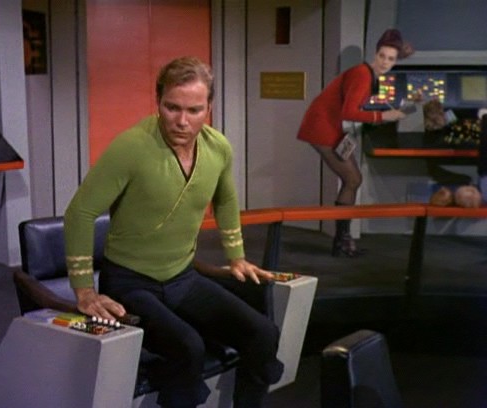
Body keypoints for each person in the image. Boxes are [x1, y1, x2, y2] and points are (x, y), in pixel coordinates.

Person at [64, 56, 284, 408]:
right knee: (188, 347)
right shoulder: (131, 146)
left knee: (263, 333)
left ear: (209, 107)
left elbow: (226, 199)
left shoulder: (218, 147)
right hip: (130, 283)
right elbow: (80, 212)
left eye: (194, 110)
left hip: (183, 278)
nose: (182, 121)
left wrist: (237, 257)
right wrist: (84, 290)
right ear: (158, 101)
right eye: (172, 107)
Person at [297, 28, 414, 257]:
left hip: (328, 126)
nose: (385, 62)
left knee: (352, 179)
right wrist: (383, 116)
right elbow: (348, 112)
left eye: (391, 59)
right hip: (323, 128)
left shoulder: (367, 74)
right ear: (375, 54)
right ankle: (342, 241)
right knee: (353, 179)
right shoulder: (362, 74)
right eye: (382, 56)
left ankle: (342, 240)